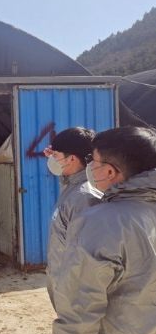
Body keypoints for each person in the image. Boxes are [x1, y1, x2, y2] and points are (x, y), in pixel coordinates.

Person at [52, 126, 156, 334]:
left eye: (95, 162)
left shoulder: (103, 221)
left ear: (110, 172)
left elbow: (83, 302)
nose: (90, 168)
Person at [45, 127, 102, 309]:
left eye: (56, 156)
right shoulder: (72, 189)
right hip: (64, 285)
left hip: (76, 295)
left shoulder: (84, 197)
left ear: (72, 159)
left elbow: (87, 258)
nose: (52, 160)